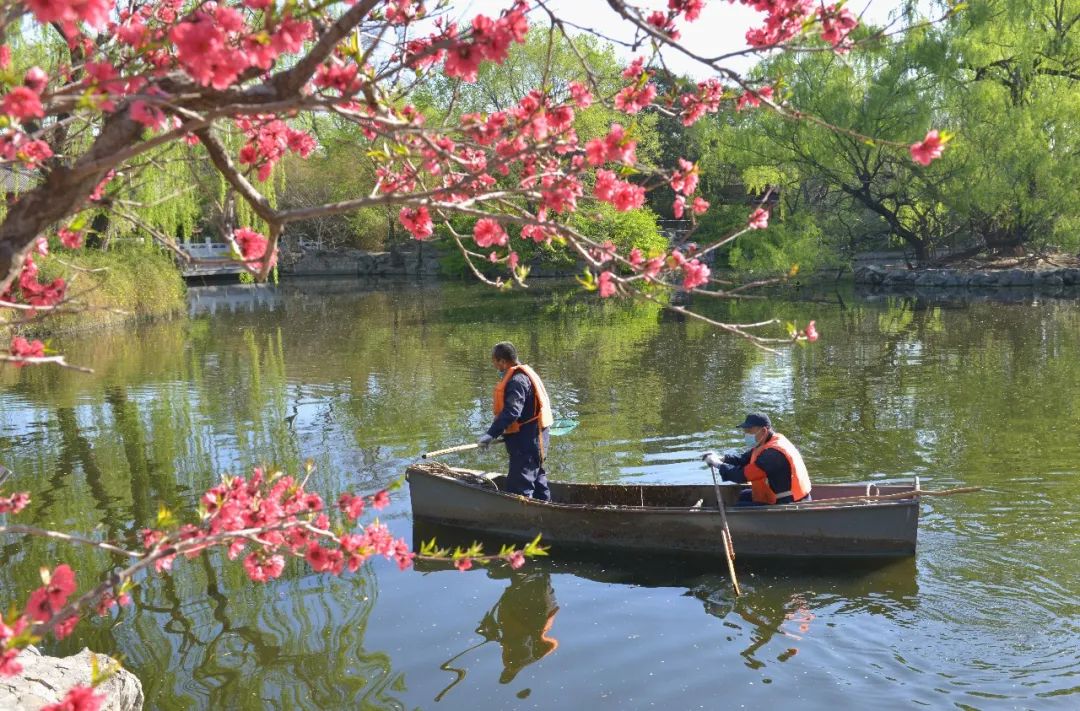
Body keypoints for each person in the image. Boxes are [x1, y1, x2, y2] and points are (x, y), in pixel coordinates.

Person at [477, 341, 554, 501]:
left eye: (495, 362)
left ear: (502, 361)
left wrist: (491, 434)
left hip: (526, 444)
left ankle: (525, 522)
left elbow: (512, 412)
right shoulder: (525, 374)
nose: (495, 367)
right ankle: (545, 516)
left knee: (518, 490)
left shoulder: (517, 381)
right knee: (539, 483)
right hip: (536, 441)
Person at [701, 413, 812, 505]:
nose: (746, 434)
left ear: (763, 431)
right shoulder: (768, 441)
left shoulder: (772, 455)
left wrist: (718, 464)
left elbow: (741, 476)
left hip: (790, 503)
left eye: (749, 431)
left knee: (740, 506)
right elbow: (743, 459)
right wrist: (722, 458)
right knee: (744, 495)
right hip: (782, 495)